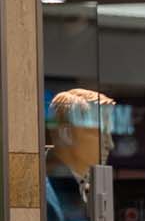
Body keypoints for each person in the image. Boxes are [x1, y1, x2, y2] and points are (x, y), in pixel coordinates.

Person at [44, 88, 114, 221]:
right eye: (100, 133)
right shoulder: (44, 194)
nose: (110, 144)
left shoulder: (89, 185)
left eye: (109, 134)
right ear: (66, 134)